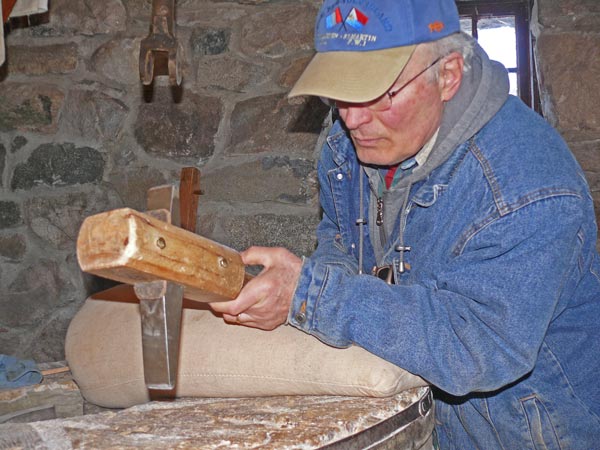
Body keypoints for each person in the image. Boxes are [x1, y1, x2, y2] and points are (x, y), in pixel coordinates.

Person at [210, 0, 600, 448]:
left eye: (376, 93)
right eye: (340, 92)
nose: (352, 119)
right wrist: (296, 289)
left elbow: (476, 345)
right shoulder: (348, 148)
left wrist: (312, 295)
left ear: (447, 75)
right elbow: (341, 241)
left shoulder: (527, 187)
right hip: (430, 425)